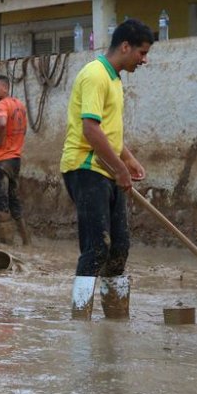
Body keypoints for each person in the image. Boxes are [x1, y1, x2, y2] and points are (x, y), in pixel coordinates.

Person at [62, 19, 152, 320]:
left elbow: (109, 133)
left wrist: (128, 159)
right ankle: (80, 321)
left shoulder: (115, 79)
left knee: (119, 248)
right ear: (125, 47)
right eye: (141, 52)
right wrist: (120, 170)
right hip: (86, 167)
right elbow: (90, 130)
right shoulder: (95, 75)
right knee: (97, 247)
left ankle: (116, 321)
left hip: (107, 168)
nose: (144, 59)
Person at [0, 74, 30, 245]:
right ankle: (27, 241)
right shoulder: (19, 105)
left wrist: (0, 141)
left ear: (5, 88)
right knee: (14, 199)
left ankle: (6, 245)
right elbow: (24, 129)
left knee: (0, 202)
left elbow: (2, 123)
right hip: (14, 159)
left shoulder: (1, 105)